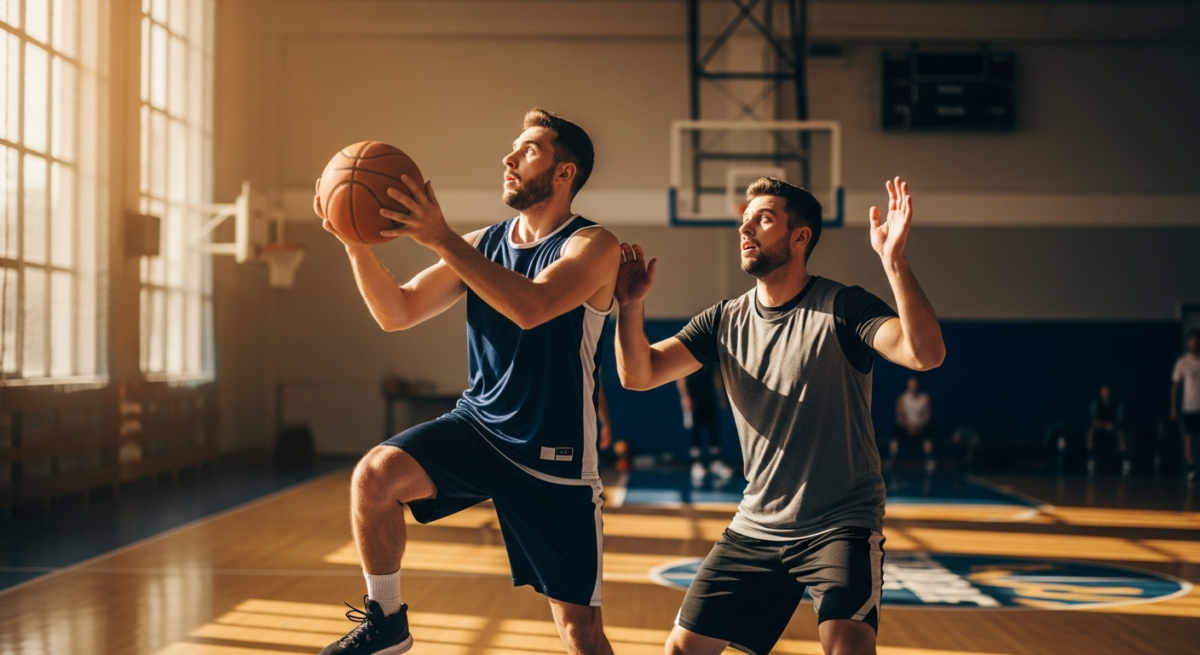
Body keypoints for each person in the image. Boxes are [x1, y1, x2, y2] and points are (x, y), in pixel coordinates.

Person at [312, 109, 620, 655]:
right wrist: (353, 242)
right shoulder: (483, 243)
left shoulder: (593, 247)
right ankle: (386, 620)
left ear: (565, 172)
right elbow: (397, 311)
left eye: (528, 150)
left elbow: (533, 307)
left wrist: (441, 237)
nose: (509, 158)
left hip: (554, 455)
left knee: (579, 629)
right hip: (478, 428)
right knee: (375, 477)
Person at [614, 177, 945, 655]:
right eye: (745, 219)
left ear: (800, 237)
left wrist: (894, 262)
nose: (746, 227)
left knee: (847, 648)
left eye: (763, 219)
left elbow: (926, 354)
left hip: (839, 524)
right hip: (757, 526)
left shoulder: (844, 307)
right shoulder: (723, 320)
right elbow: (638, 375)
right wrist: (630, 306)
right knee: (682, 650)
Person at [676, 365, 733, 482]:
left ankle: (716, 463)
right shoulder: (688, 355)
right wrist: (685, 396)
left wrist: (722, 395)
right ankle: (697, 465)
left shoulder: (709, 356)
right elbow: (681, 376)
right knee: (696, 431)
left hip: (709, 397)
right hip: (694, 399)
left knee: (714, 429)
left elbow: (716, 375)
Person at [1172, 330, 1200, 482]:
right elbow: (1175, 386)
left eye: (1197, 340)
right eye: (1192, 340)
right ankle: (1191, 467)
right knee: (1189, 437)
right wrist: (1173, 406)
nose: (1194, 343)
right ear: (1188, 342)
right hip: (1188, 407)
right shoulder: (1182, 362)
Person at [890, 376, 934, 471]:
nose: (913, 387)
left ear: (918, 386)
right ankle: (892, 461)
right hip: (906, 428)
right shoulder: (902, 398)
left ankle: (928, 460)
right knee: (895, 432)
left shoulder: (925, 398)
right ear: (908, 386)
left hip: (920, 428)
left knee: (929, 432)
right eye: (911, 385)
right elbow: (899, 417)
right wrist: (909, 426)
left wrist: (918, 427)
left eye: (915, 385)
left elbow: (927, 417)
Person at [1086, 383, 1128, 476]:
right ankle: (1091, 458)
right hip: (1101, 427)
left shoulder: (1117, 402)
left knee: (1121, 432)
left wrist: (1113, 425)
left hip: (1114, 427)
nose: (1106, 394)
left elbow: (1120, 418)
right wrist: (1105, 425)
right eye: (1104, 392)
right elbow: (1094, 420)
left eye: (1107, 392)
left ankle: (1125, 459)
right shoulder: (1096, 402)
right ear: (1101, 393)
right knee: (1091, 431)